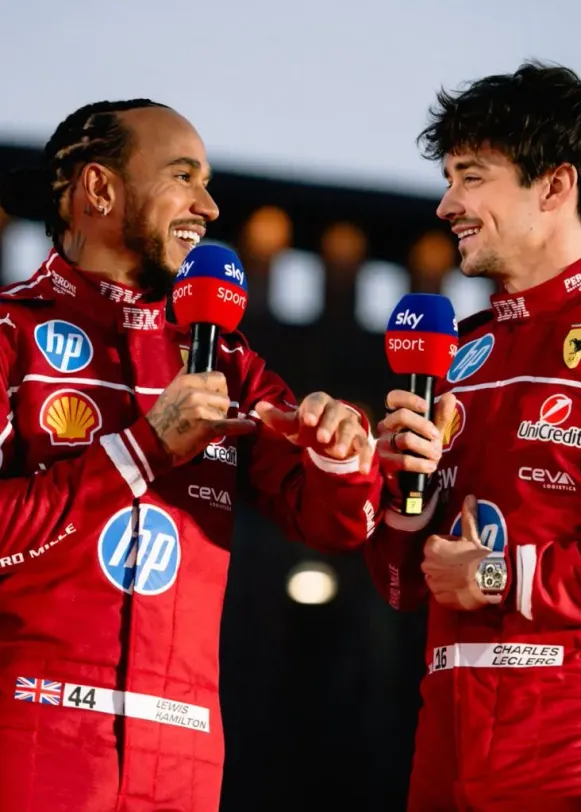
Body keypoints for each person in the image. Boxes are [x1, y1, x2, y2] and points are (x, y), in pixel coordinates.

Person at [0, 99, 382, 812]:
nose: (208, 207)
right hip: (29, 737)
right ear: (99, 188)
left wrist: (340, 458)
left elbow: (334, 525)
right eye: (182, 177)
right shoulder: (10, 333)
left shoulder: (229, 362)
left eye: (207, 183)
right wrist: (144, 449)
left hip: (184, 758)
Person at [365, 62, 581, 811]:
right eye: (448, 179)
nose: (446, 204)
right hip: (446, 750)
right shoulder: (454, 354)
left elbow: (485, 576)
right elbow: (401, 586)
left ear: (555, 186)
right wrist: (399, 494)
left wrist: (505, 577)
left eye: (471, 177)